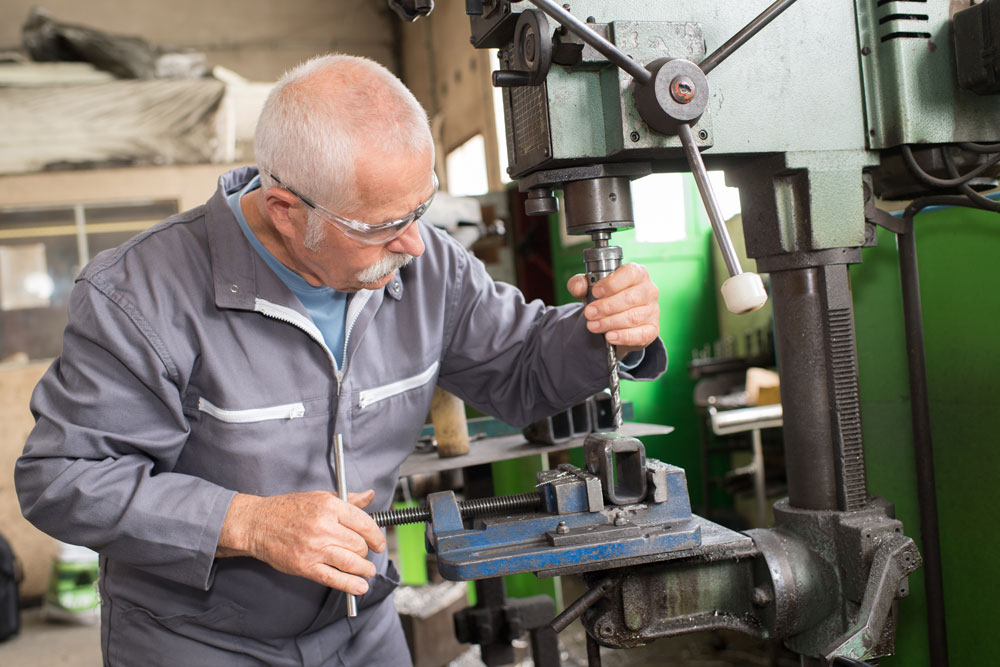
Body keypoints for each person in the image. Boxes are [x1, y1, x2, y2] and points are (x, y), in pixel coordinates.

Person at [15, 54, 666, 665]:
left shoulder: (426, 263)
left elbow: (522, 368)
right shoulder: (140, 294)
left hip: (362, 628)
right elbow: (64, 477)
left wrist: (608, 332)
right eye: (384, 225)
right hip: (197, 639)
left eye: (422, 206)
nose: (415, 241)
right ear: (286, 212)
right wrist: (246, 521)